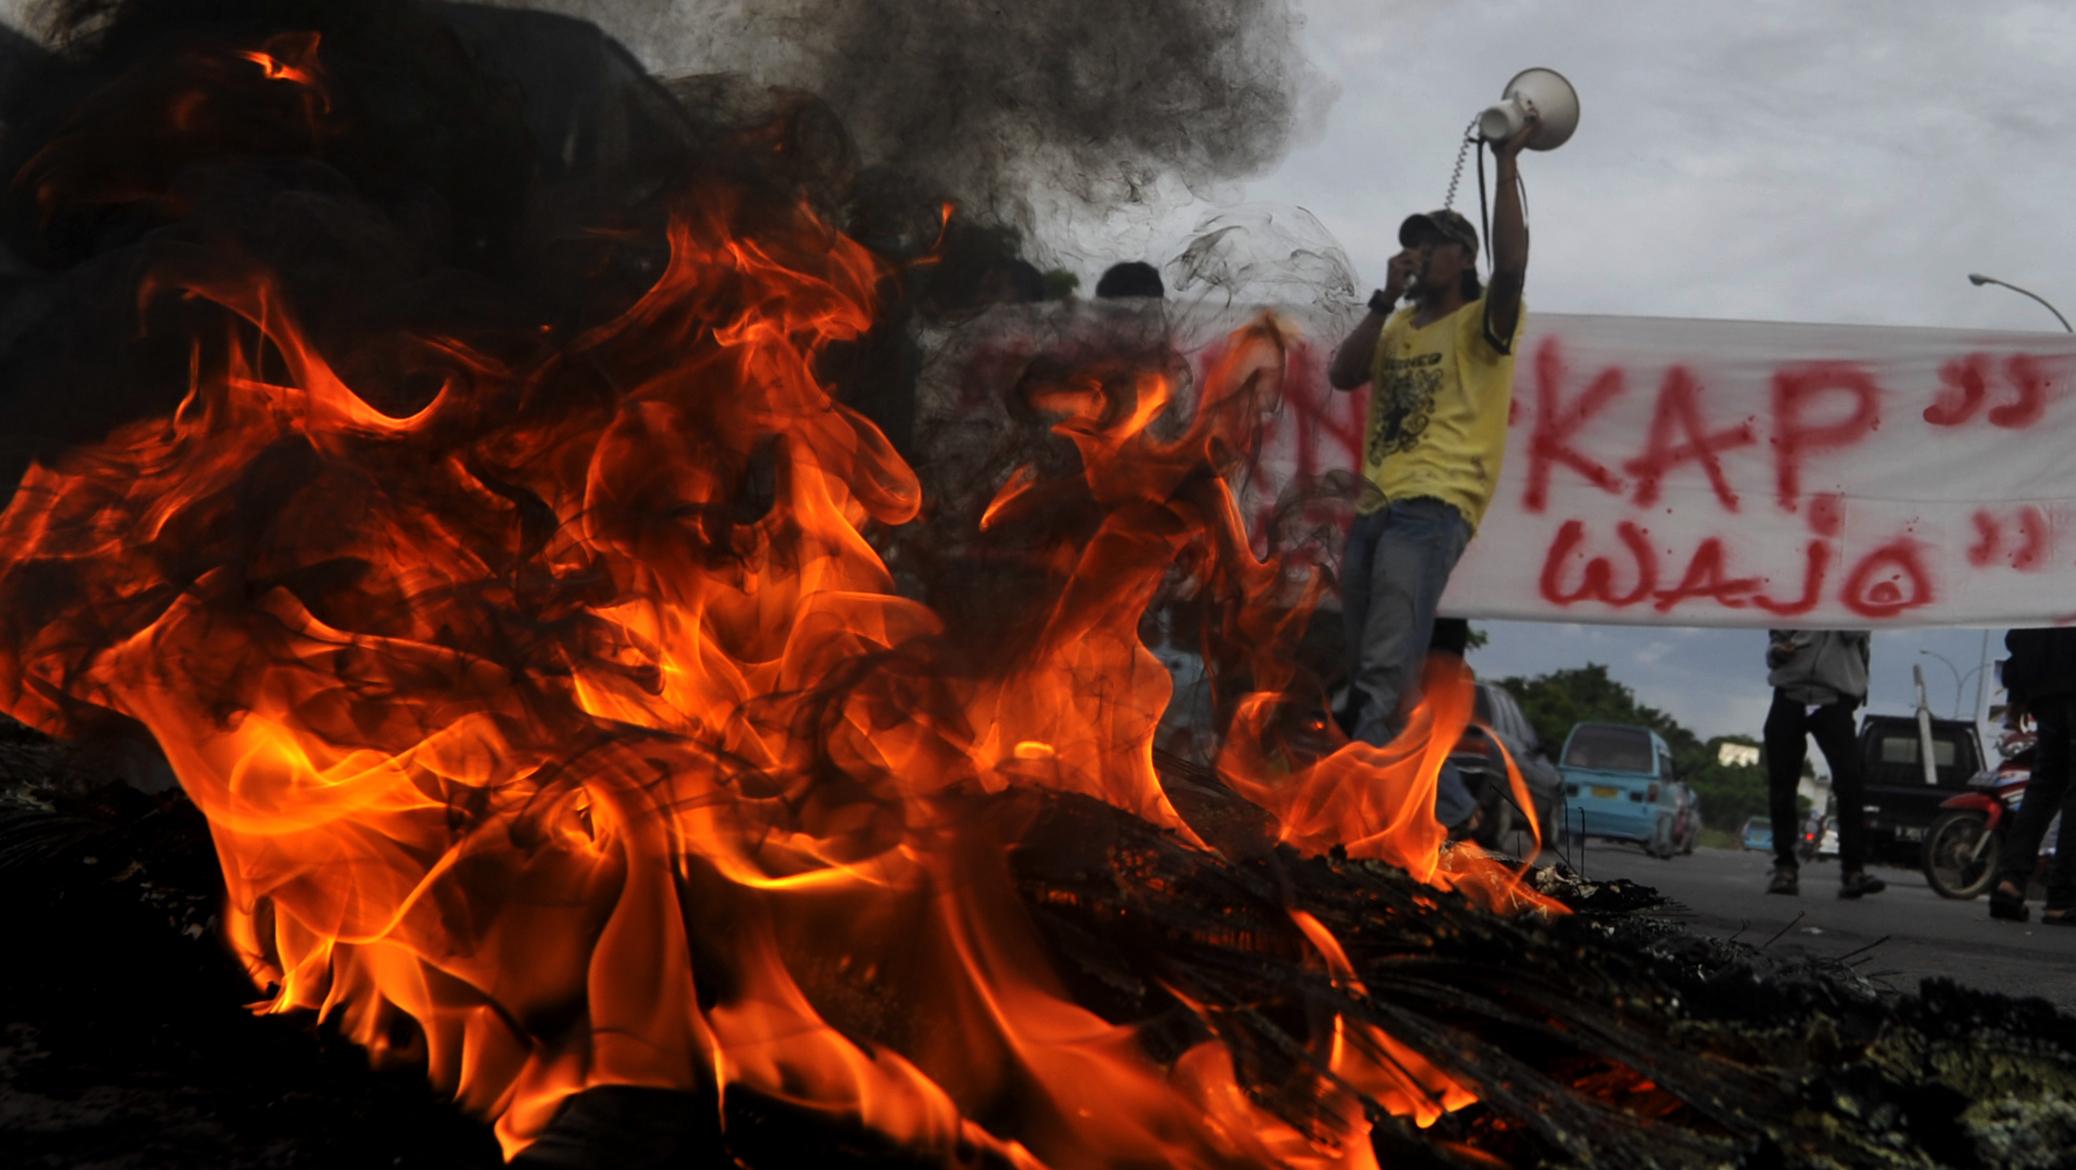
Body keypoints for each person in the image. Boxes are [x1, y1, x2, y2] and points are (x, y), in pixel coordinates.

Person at [1326, 109, 1538, 746]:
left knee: (1384, 665)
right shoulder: (1396, 327)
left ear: (1464, 257)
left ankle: (1366, 805)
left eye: (1431, 244)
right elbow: (1342, 376)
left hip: (1434, 503)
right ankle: (1441, 809)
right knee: (1371, 661)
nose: (1416, 253)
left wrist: (1505, 166)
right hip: (1377, 504)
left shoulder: (1483, 323)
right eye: (1411, 243)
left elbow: (1513, 268)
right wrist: (1384, 299)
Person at [1762, 630, 1883, 898]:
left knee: (1850, 785)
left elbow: (1854, 632)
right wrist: (1778, 653)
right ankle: (1785, 867)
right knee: (1782, 785)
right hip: (1789, 694)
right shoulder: (1793, 595)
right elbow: (1775, 641)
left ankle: (1853, 871)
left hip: (1834, 699)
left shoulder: (1852, 597)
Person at [1988, 627, 2076, 923]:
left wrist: (2018, 692)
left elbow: (2025, 619)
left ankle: (2010, 883)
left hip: (2045, 684)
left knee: (2045, 782)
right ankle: (2062, 899)